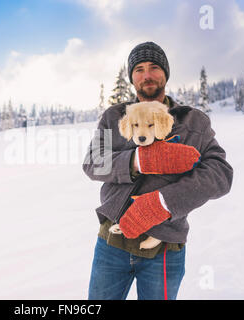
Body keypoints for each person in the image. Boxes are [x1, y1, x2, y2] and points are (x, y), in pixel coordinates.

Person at [82, 41, 233, 300]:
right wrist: (137, 161)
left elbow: (220, 173)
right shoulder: (115, 116)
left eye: (154, 67)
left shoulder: (192, 121)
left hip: (165, 246)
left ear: (165, 73)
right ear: (132, 78)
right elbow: (93, 162)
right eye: (139, 69)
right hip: (112, 242)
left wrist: (165, 202)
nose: (147, 75)